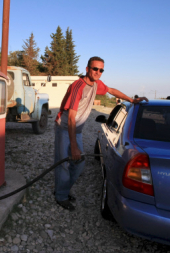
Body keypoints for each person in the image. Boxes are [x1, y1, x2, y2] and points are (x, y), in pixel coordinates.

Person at [54, 56, 148, 211]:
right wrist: (75, 146)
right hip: (65, 128)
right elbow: (71, 117)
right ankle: (61, 196)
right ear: (87, 69)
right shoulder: (78, 86)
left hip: (77, 129)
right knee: (64, 163)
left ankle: (62, 190)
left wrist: (131, 100)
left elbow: (111, 90)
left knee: (79, 164)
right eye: (95, 69)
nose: (98, 72)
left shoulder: (97, 84)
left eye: (101, 70)